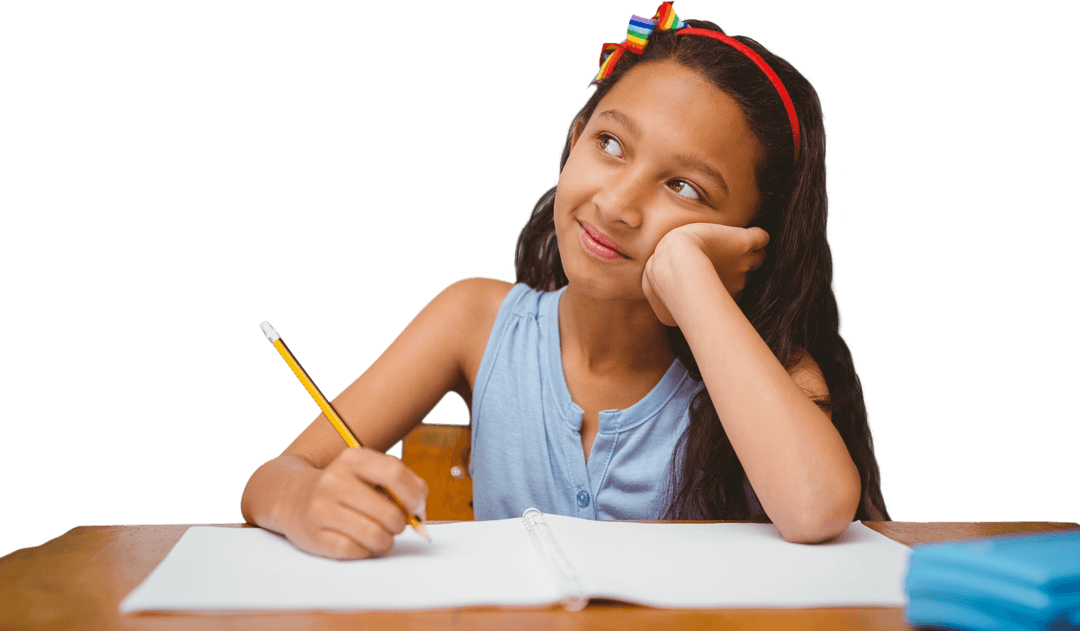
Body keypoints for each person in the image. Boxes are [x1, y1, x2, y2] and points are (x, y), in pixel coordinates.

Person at [240, 1, 891, 560]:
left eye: (684, 186)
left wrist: (689, 278)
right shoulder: (476, 320)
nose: (617, 204)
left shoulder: (773, 372)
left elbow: (817, 508)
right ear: (576, 135)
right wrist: (305, 499)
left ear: (750, 239)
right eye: (611, 143)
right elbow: (272, 476)